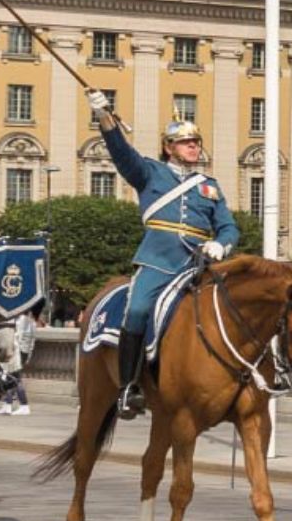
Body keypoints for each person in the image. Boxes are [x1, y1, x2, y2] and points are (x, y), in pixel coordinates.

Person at [81, 94, 241, 400]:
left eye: (196, 141)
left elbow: (228, 226)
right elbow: (121, 152)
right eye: (186, 142)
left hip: (198, 263)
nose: (194, 146)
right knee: (138, 308)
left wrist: (221, 244)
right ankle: (129, 386)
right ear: (169, 147)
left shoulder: (209, 185)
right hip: (159, 261)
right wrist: (104, 117)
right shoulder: (150, 173)